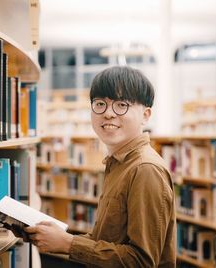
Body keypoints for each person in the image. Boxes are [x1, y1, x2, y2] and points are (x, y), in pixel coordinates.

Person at [20, 66, 176, 267]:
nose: (109, 113)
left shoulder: (145, 169)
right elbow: (110, 239)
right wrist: (54, 236)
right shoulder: (118, 164)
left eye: (121, 105)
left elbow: (142, 261)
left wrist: (69, 243)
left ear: (146, 115)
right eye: (100, 103)